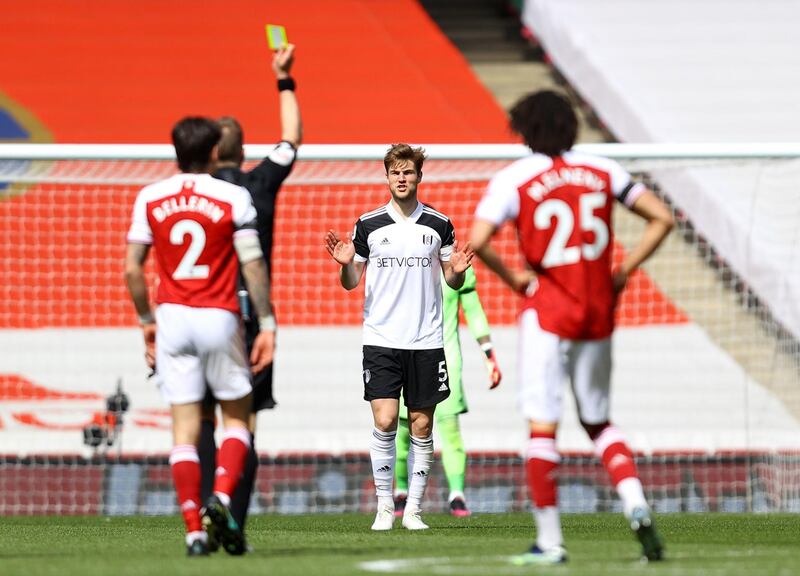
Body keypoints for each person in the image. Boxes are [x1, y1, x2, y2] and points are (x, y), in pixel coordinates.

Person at [470, 90, 673, 564]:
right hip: (598, 310)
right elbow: (661, 218)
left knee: (543, 427)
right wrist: (622, 272)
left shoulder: (516, 177)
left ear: (524, 130)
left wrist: (515, 277)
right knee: (599, 422)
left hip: (548, 312)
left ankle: (549, 541)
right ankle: (636, 505)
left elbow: (478, 239)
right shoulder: (605, 169)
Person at [125, 116, 276, 557]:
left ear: (175, 151)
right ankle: (223, 499)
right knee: (237, 418)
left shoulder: (150, 196)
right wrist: (266, 323)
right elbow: (252, 264)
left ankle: (193, 531)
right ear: (214, 152)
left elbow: (132, 267)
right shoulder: (233, 196)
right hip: (219, 315)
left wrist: (145, 321)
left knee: (184, 430)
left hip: (172, 317)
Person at [324, 143, 474, 531]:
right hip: (381, 338)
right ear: (387, 177)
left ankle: (415, 511)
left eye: (408, 172)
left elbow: (450, 278)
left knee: (423, 426)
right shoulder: (368, 225)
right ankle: (384, 507)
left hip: (426, 339)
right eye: (396, 172)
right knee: (386, 419)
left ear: (419, 176)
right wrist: (344, 267)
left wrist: (455, 271)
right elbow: (351, 282)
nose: (402, 178)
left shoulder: (439, 225)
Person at [197, 43, 302, 544]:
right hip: (252, 314)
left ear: (210, 152)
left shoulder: (194, 190)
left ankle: (199, 519)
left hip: (201, 308)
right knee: (248, 423)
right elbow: (292, 139)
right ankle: (235, 520)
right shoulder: (260, 181)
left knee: (198, 419)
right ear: (242, 150)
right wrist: (284, 79)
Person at [393, 266, 502, 517]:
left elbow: (473, 310)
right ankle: (400, 491)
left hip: (446, 360)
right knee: (401, 430)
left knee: (450, 429)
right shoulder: (406, 258)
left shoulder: (456, 266)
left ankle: (457, 495)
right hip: (405, 358)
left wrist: (489, 355)